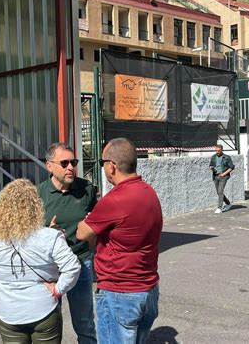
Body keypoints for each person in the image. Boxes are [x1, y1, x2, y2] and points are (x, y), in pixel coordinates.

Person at [76, 137, 163, 344]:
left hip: (120, 293)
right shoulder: (149, 193)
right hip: (148, 290)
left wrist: (88, 219)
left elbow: (82, 233)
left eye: (102, 162)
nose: (103, 167)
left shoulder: (115, 199)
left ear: (112, 166)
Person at [0, 178, 81, 344]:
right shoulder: (49, 237)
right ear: (35, 206)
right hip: (43, 308)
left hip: (9, 311)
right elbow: (72, 267)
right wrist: (59, 289)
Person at [37, 143, 98, 344]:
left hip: (80, 262)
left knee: (85, 323)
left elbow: (97, 223)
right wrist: (47, 234)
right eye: (64, 163)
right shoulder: (38, 195)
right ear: (49, 166)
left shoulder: (86, 189)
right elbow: (29, 235)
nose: (70, 167)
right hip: (50, 268)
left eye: (74, 162)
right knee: (49, 324)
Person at [209, 144, 235, 214]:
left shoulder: (227, 157)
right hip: (215, 176)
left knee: (220, 191)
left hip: (223, 176)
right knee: (218, 192)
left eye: (218, 151)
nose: (217, 152)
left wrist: (224, 174)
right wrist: (211, 167)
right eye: (216, 150)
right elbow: (210, 165)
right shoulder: (213, 157)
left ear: (221, 150)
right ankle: (228, 203)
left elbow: (231, 167)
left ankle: (219, 208)